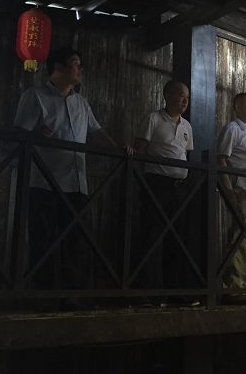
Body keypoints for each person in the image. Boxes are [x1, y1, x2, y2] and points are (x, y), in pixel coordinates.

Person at [14, 47, 128, 292]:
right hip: (44, 182)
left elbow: (96, 132)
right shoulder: (35, 96)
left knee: (75, 241)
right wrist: (34, 135)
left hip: (76, 183)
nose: (80, 69)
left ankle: (71, 295)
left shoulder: (81, 102)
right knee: (42, 241)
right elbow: (18, 133)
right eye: (76, 63)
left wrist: (118, 150)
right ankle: (41, 297)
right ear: (58, 67)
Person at [133, 81, 199, 304]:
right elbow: (140, 150)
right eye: (180, 95)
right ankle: (146, 292)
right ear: (167, 95)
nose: (185, 101)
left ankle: (175, 291)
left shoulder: (187, 126)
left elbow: (185, 155)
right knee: (151, 236)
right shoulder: (153, 118)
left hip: (180, 187)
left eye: (187, 97)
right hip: (157, 185)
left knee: (177, 239)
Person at [217, 92, 246, 305]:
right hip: (240, 183)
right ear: (237, 107)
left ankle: (240, 284)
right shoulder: (233, 129)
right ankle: (233, 287)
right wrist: (229, 190)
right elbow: (221, 160)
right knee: (240, 235)